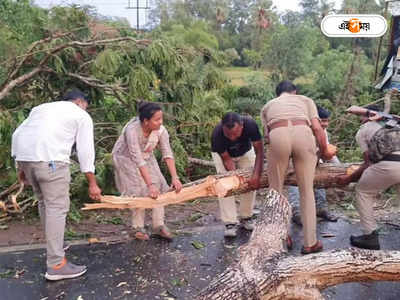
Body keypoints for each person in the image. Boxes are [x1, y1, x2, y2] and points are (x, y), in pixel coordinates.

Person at [11, 89, 102, 281]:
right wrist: (92, 183)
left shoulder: (41, 108)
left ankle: (55, 247)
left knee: (45, 203)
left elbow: (18, 133)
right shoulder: (80, 114)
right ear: (79, 102)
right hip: (51, 161)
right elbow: (86, 150)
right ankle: (56, 265)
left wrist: (20, 165)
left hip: (27, 158)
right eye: (86, 105)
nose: (86, 109)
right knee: (57, 208)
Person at [261, 81, 335, 254]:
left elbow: (267, 137)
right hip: (303, 133)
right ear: (294, 92)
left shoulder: (267, 106)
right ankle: (310, 243)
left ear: (277, 94)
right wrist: (324, 151)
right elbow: (317, 128)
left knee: (276, 192)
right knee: (307, 191)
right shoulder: (305, 100)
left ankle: (280, 237)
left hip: (277, 134)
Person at [112, 101, 182, 241]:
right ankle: (137, 227)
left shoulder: (161, 130)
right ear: (145, 121)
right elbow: (137, 159)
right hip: (125, 158)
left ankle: (158, 226)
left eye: (161, 118)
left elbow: (167, 153)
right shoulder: (131, 131)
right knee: (139, 189)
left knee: (160, 186)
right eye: (157, 120)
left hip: (146, 156)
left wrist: (175, 177)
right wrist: (149, 185)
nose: (160, 122)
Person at [337, 105, 400, 250]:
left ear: (365, 116)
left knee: (363, 192)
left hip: (388, 165)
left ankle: (370, 236)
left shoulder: (364, 130)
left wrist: (347, 179)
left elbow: (368, 164)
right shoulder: (394, 122)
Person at [211, 112, 264, 238]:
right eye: (228, 134)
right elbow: (227, 159)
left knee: (250, 182)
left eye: (235, 133)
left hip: (246, 152)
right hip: (224, 156)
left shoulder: (250, 124)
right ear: (223, 128)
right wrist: (235, 177)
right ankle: (230, 222)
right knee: (224, 186)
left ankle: (246, 216)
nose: (232, 138)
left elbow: (260, 151)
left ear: (242, 126)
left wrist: (256, 176)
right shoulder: (217, 135)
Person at [288, 106, 339, 226]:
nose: (325, 124)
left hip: (314, 158)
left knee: (319, 179)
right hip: (295, 158)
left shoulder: (323, 131)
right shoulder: (301, 129)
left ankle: (321, 209)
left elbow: (325, 149)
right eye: (322, 121)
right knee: (295, 183)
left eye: (327, 120)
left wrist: (340, 168)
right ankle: (297, 213)